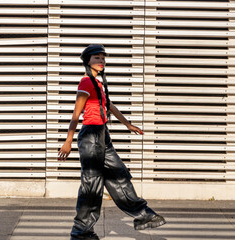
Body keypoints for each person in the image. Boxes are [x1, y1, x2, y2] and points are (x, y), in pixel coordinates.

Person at [58, 44, 166, 240]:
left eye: (103, 58)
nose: (101, 61)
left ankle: (143, 215)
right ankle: (81, 231)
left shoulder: (98, 84)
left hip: (102, 135)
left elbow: (109, 106)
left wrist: (127, 124)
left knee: (119, 175)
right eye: (96, 58)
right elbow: (76, 114)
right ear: (87, 61)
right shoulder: (86, 83)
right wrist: (68, 141)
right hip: (90, 136)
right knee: (92, 185)